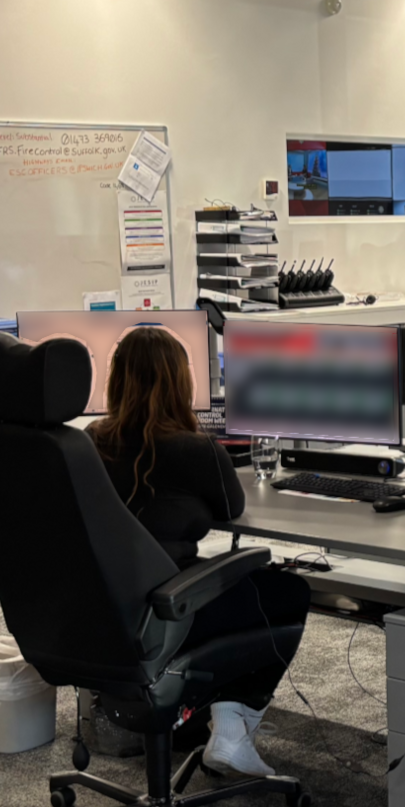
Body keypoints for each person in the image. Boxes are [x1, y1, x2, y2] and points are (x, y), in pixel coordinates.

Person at [87, 327, 307, 778]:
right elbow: (232, 507)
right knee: (288, 592)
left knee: (238, 588)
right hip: (168, 610)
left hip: (105, 610)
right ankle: (232, 731)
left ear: (117, 382)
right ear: (178, 383)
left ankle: (223, 727)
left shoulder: (90, 441)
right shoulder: (192, 448)